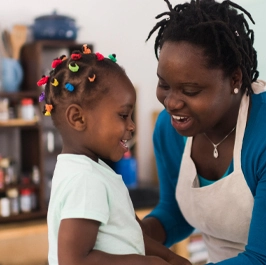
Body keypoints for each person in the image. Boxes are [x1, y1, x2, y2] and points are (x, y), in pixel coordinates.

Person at [141, 0, 266, 264]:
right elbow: (175, 214)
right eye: (164, 84)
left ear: (235, 80)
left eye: (190, 91)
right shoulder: (170, 130)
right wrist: (137, 234)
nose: (171, 102)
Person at [40, 46, 191, 265]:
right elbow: (74, 260)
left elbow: (132, 233)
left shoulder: (92, 172)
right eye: (123, 115)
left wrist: (168, 257)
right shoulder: (85, 180)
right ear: (78, 118)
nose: (131, 126)